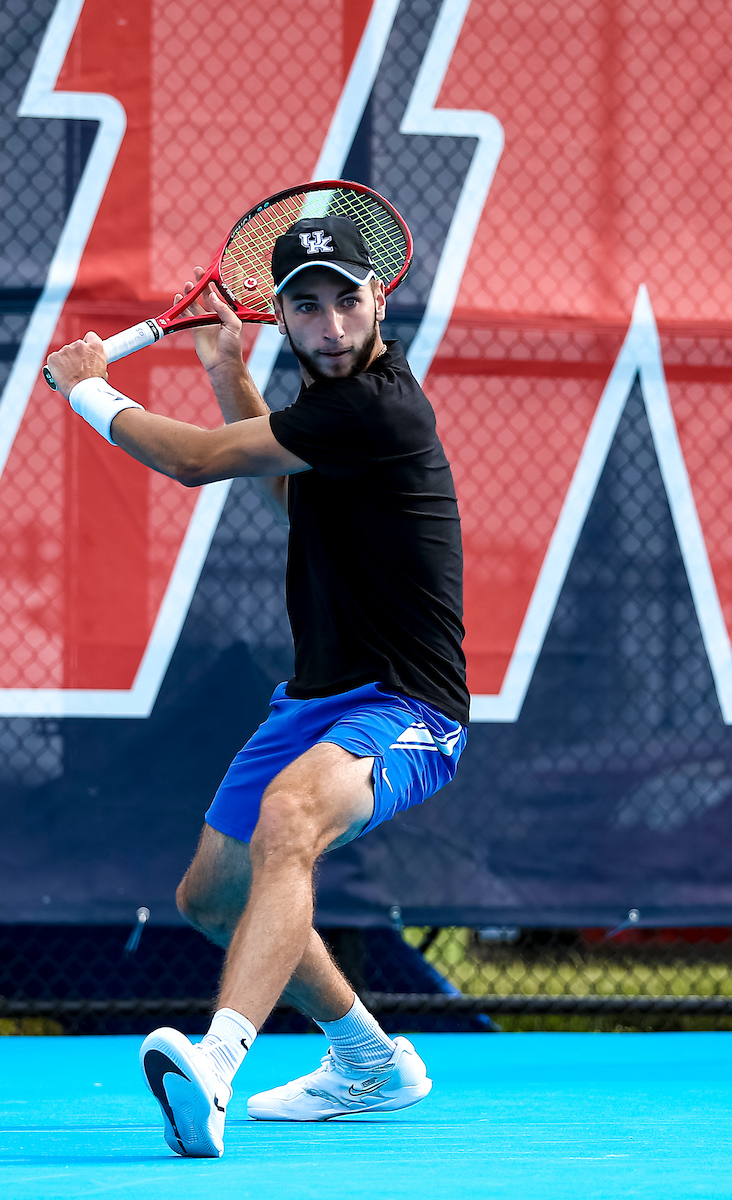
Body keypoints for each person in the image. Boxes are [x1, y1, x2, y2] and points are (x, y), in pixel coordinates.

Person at [45, 215, 469, 1159]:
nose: (329, 323)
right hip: (317, 696)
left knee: (288, 822)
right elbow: (290, 492)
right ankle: (369, 1061)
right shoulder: (330, 422)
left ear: (379, 302)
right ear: (279, 313)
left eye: (345, 301)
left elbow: (196, 463)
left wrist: (89, 391)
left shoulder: (377, 406)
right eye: (306, 305)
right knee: (212, 897)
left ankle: (218, 1065)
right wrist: (225, 370)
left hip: (409, 706)